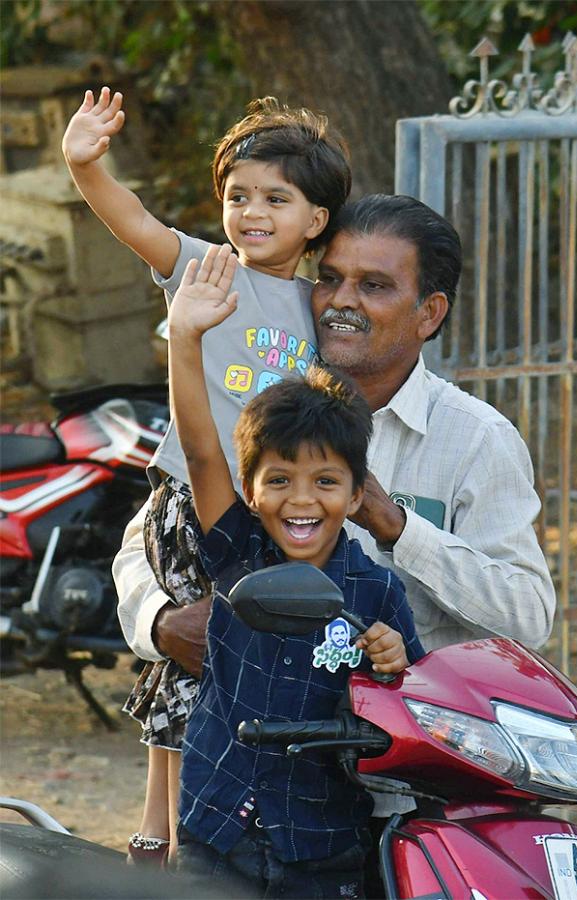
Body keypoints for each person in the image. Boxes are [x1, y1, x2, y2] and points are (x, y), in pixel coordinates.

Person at [62, 87, 352, 864]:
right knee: (186, 653)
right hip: (192, 499)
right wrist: (85, 164)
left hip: (262, 513)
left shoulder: (322, 309)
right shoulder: (207, 266)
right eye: (237, 196)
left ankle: (200, 824)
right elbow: (134, 223)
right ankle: (161, 829)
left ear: (316, 220)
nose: (252, 213)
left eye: (275, 199)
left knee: (231, 667)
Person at [115, 194, 555, 679]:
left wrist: (397, 526)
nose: (341, 300)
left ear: (429, 313)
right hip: (262, 728)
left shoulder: (475, 438)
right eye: (329, 278)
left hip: (405, 733)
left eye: (374, 285)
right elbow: (148, 538)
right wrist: (162, 622)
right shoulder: (269, 402)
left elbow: (528, 616)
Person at [164, 241, 424, 897]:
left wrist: (393, 664)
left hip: (323, 846)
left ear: (356, 489)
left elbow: (407, 716)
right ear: (250, 488)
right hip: (214, 829)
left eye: (325, 481)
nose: (302, 499)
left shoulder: (375, 588)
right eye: (279, 479)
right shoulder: (236, 550)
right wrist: (187, 338)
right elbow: (199, 451)